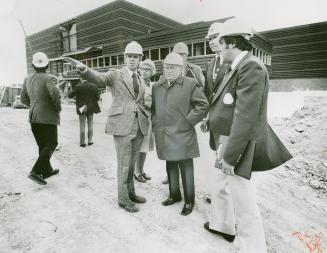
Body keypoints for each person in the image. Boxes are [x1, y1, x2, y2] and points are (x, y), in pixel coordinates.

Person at [203, 18, 292, 253]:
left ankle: (253, 248)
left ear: (231, 43)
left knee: (244, 203)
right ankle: (224, 226)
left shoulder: (250, 67)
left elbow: (244, 118)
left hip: (236, 145)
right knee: (223, 188)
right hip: (226, 140)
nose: (219, 48)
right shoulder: (240, 66)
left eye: (221, 43)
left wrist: (231, 156)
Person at [63, 41, 149, 213]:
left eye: (136, 57)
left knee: (132, 164)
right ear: (125, 58)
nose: (132, 60)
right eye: (129, 56)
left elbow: (139, 100)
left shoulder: (140, 78)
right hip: (122, 125)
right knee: (124, 164)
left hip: (139, 125)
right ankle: (123, 199)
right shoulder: (115, 74)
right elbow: (98, 78)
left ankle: (131, 193)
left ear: (140, 59)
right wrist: (83, 69)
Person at [151, 52, 209, 216]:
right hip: (164, 133)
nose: (168, 70)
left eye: (173, 67)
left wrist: (188, 121)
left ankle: (189, 201)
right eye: (166, 67)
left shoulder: (190, 84)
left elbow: (203, 105)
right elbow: (154, 109)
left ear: (180, 68)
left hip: (183, 134)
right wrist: (156, 122)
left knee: (186, 168)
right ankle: (174, 195)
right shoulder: (157, 86)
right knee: (170, 165)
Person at [160, 41, 206, 185]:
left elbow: (203, 91)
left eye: (183, 54)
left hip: (187, 116)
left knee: (185, 149)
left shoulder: (195, 70)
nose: (180, 56)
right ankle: (171, 176)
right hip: (172, 118)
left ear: (187, 55)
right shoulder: (167, 70)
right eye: (177, 54)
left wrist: (191, 118)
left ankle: (186, 179)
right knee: (170, 146)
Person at [201, 22, 231, 204]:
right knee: (216, 156)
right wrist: (205, 117)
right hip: (214, 122)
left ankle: (226, 199)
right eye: (210, 38)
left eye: (215, 37)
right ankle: (218, 193)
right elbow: (208, 94)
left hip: (228, 122)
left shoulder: (233, 62)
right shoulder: (211, 64)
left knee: (226, 159)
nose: (212, 41)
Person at [21, 52, 61, 185]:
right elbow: (54, 94)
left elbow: (23, 99)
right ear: (47, 64)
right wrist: (58, 107)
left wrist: (33, 107)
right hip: (47, 118)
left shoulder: (27, 79)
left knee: (43, 145)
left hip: (34, 117)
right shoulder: (50, 78)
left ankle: (46, 170)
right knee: (52, 143)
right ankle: (35, 171)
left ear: (33, 65)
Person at [134, 59, 156, 183]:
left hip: (149, 117)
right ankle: (136, 171)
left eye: (147, 69)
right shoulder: (137, 83)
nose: (144, 71)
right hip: (140, 117)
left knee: (145, 146)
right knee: (139, 145)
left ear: (152, 71)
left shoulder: (152, 85)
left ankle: (141, 170)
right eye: (142, 69)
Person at [68, 78, 101, 147]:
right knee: (90, 124)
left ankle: (82, 142)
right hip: (91, 107)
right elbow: (98, 97)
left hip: (82, 108)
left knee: (82, 125)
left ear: (81, 78)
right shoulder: (94, 86)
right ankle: (90, 141)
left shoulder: (78, 86)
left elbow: (70, 95)